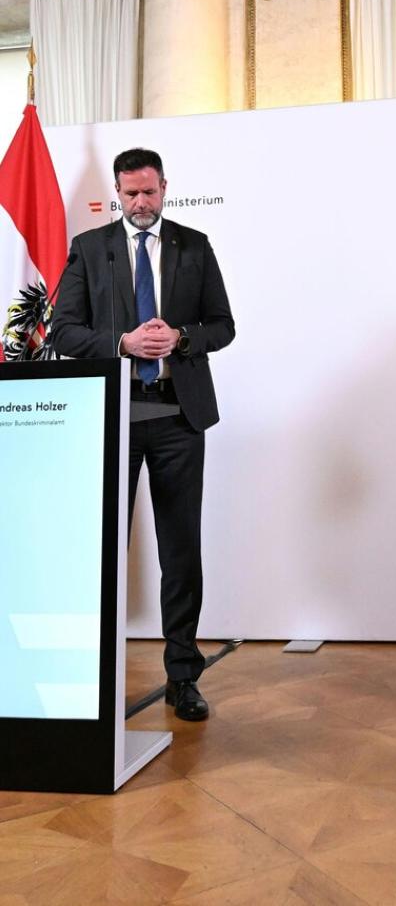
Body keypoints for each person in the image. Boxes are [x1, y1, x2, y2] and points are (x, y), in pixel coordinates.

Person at [52, 148, 235, 721]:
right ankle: (93, 676)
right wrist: (121, 344)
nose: (140, 202)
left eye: (149, 192)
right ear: (116, 192)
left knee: (181, 551)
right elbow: (63, 330)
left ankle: (183, 676)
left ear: (164, 188)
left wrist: (180, 337)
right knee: (105, 548)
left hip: (179, 418)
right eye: (130, 193)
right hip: (115, 416)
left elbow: (224, 326)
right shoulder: (90, 248)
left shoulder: (195, 245)